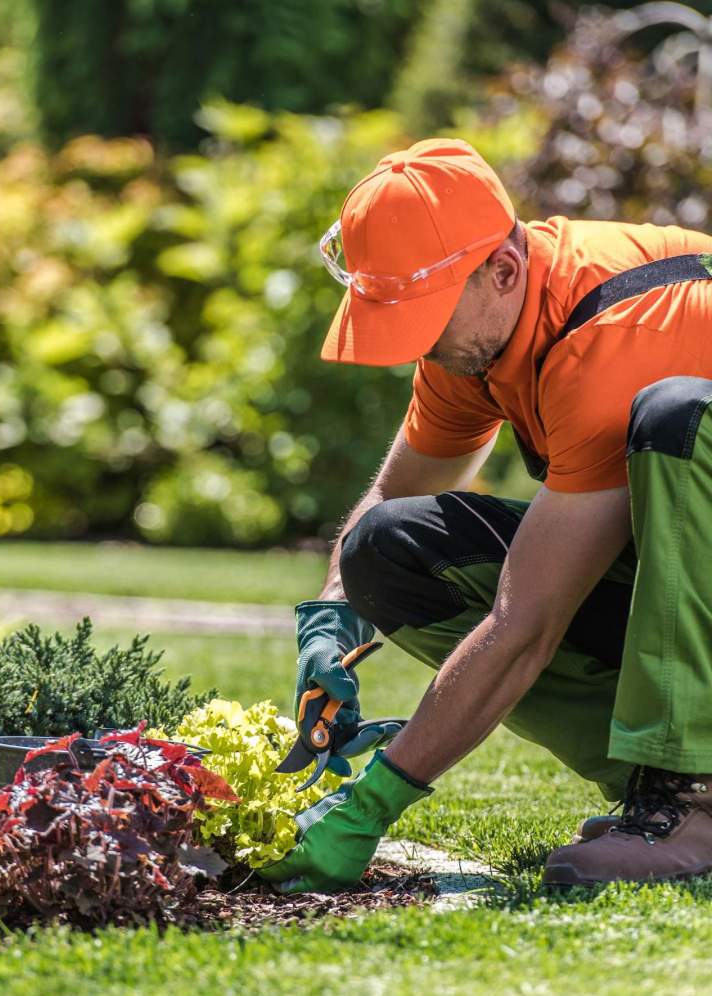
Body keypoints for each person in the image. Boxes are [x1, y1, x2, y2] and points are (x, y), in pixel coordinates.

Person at [258, 137, 712, 894]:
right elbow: (392, 499)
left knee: (681, 418)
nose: (419, 347)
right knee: (385, 549)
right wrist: (331, 620)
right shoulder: (482, 338)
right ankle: (655, 789)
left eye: (425, 318)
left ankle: (694, 794)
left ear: (502, 269)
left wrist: (373, 801)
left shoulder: (614, 338)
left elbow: (525, 624)